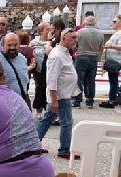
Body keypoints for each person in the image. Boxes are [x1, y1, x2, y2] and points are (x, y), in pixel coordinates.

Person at [37, 28, 81, 160]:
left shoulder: (65, 52)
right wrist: (54, 99)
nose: (75, 40)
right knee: (67, 122)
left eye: (76, 37)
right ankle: (64, 150)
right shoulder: (56, 55)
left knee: (47, 120)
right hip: (60, 95)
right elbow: (51, 79)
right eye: (73, 37)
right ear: (63, 38)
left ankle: (32, 146)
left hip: (62, 94)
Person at [0, 32, 34, 109]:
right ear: (2, 45)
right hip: (6, 105)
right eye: (9, 45)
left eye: (15, 45)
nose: (12, 47)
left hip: (23, 101)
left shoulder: (23, 59)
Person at [73, 15, 104, 108]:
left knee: (79, 79)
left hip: (81, 56)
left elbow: (75, 45)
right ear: (95, 23)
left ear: (85, 23)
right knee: (91, 81)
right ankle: (90, 101)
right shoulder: (100, 33)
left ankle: (77, 101)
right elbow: (101, 48)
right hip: (93, 57)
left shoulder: (80, 32)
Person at [30, 21, 52, 116]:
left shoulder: (51, 42)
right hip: (38, 71)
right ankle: (39, 109)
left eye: (50, 30)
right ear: (41, 31)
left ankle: (49, 110)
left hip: (50, 69)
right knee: (39, 89)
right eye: (47, 30)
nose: (48, 32)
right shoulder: (34, 43)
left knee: (50, 90)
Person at [101, 15, 121, 108]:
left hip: (116, 61)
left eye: (115, 21)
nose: (112, 23)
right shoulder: (116, 33)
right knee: (113, 80)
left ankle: (113, 99)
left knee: (113, 80)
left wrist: (111, 46)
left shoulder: (120, 34)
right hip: (112, 60)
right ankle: (113, 98)